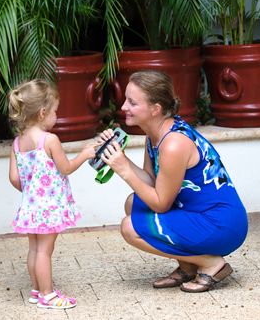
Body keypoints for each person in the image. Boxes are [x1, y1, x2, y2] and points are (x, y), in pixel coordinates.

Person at [98, 70, 248, 293]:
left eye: (132, 102)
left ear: (155, 109)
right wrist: (121, 158)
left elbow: (161, 203)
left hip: (221, 224)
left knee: (130, 228)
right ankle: (188, 266)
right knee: (133, 202)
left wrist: (125, 170)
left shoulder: (173, 144)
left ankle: (210, 263)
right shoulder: (155, 135)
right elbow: (151, 181)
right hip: (196, 214)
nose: (123, 107)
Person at [8, 79, 96, 309]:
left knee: (35, 249)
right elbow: (66, 168)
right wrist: (85, 154)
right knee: (45, 252)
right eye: (55, 111)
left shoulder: (17, 144)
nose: (56, 116)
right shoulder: (49, 140)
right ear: (43, 112)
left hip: (31, 208)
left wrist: (31, 193)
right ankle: (48, 296)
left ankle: (37, 290)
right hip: (49, 208)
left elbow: (15, 178)